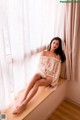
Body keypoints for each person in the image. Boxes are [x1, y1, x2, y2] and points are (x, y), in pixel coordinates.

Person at [12, 37, 66, 114]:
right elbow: (40, 66)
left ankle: (24, 104)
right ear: (51, 43)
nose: (55, 45)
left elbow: (56, 71)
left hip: (50, 76)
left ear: (59, 46)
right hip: (42, 72)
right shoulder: (44, 52)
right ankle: (24, 97)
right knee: (35, 76)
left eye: (57, 44)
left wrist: (51, 79)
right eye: (54, 43)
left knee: (37, 83)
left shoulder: (57, 56)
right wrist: (42, 74)